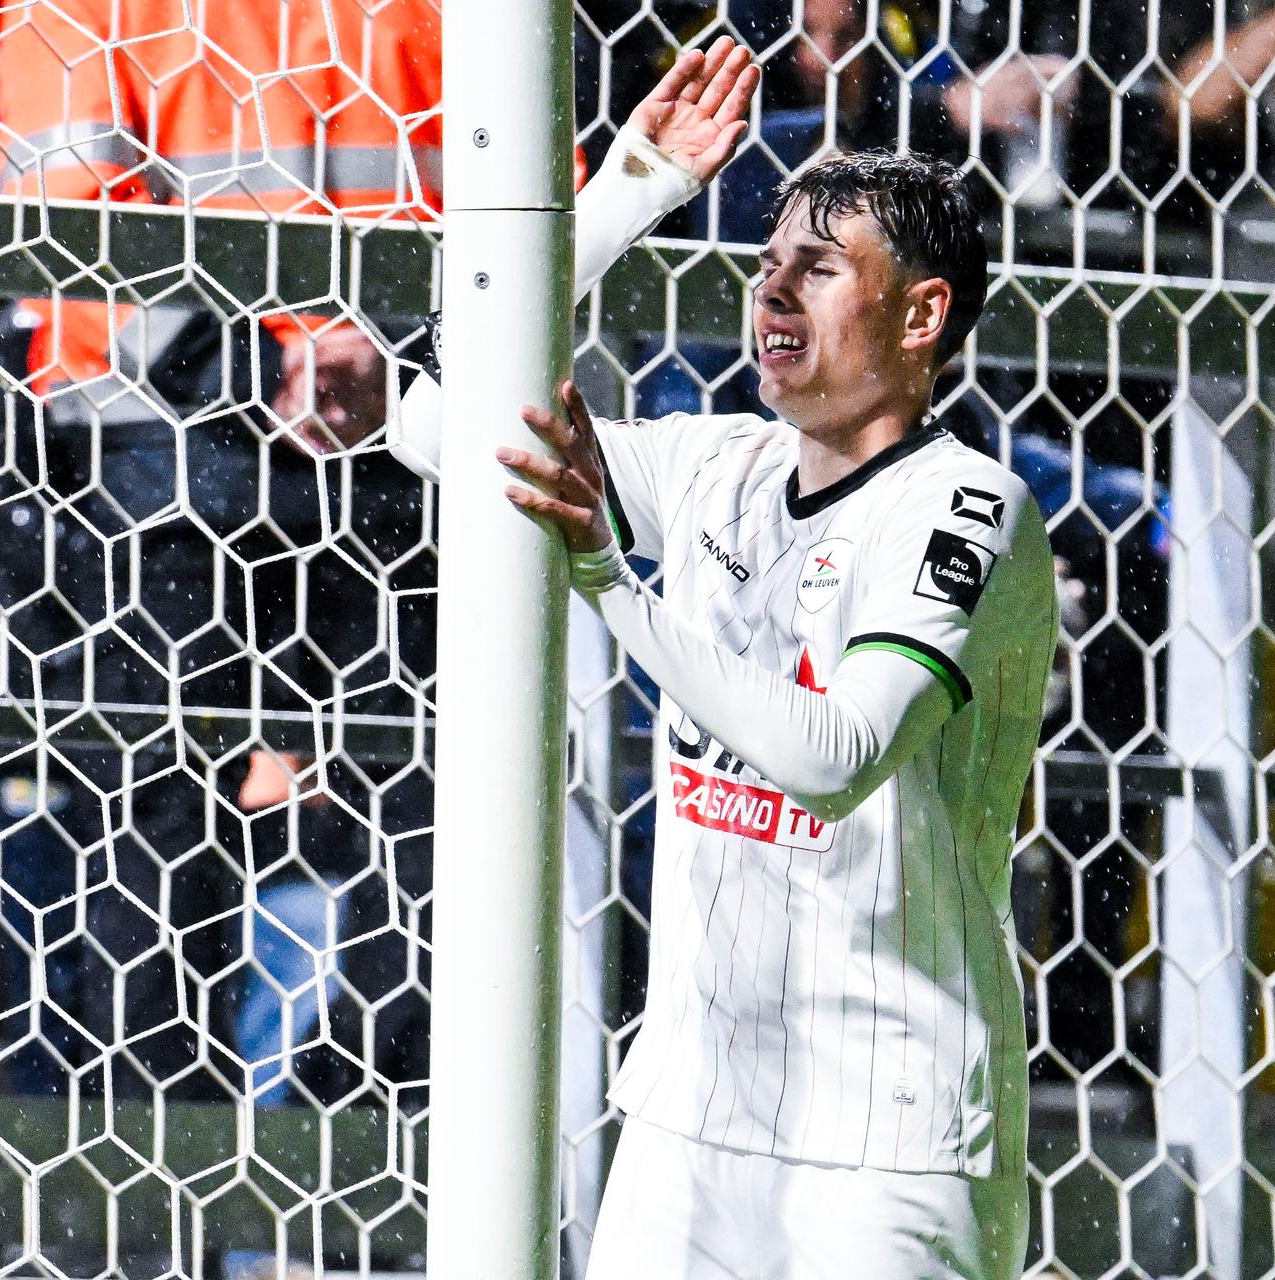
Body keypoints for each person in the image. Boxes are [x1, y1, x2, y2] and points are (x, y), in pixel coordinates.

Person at [394, 35, 1057, 1278]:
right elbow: (432, 424)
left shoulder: (970, 508)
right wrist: (623, 196)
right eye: (766, 266)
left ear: (923, 314)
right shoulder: (713, 466)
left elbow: (834, 753)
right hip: (687, 1119)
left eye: (820, 268)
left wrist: (608, 579)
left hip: (887, 1145)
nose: (773, 295)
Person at [0, 0, 440, 1103]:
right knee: (164, 823)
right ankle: (165, 1164)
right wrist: (285, 365)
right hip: (179, 447)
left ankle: (371, 1151)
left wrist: (382, 359)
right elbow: (62, 216)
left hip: (386, 441)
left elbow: (538, 204)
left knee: (425, 811)